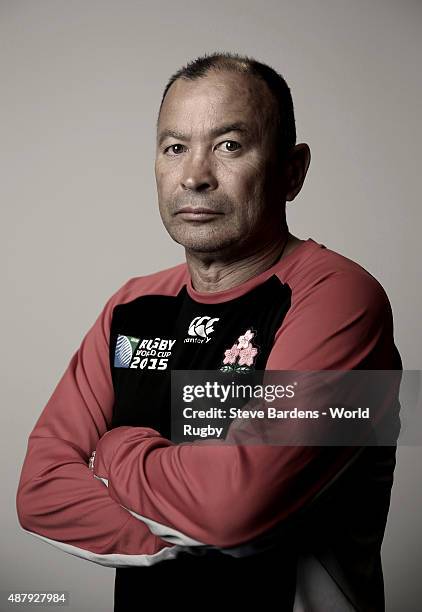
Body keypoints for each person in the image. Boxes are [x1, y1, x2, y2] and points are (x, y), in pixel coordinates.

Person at [16, 52, 402, 611]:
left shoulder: (342, 298)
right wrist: (201, 510)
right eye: (175, 148)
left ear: (291, 171)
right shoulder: (132, 305)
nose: (194, 175)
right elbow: (40, 491)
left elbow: (235, 505)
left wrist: (115, 448)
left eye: (229, 146)